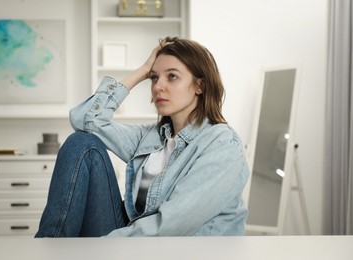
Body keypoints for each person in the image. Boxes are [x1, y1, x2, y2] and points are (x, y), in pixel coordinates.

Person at [35, 36, 249, 237]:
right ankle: (51, 246)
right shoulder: (151, 137)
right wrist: (143, 70)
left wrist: (100, 246)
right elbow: (84, 120)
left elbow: (174, 223)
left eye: (172, 76)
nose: (158, 87)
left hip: (182, 250)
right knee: (81, 142)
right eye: (154, 78)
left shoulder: (221, 143)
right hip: (135, 239)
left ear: (199, 86)